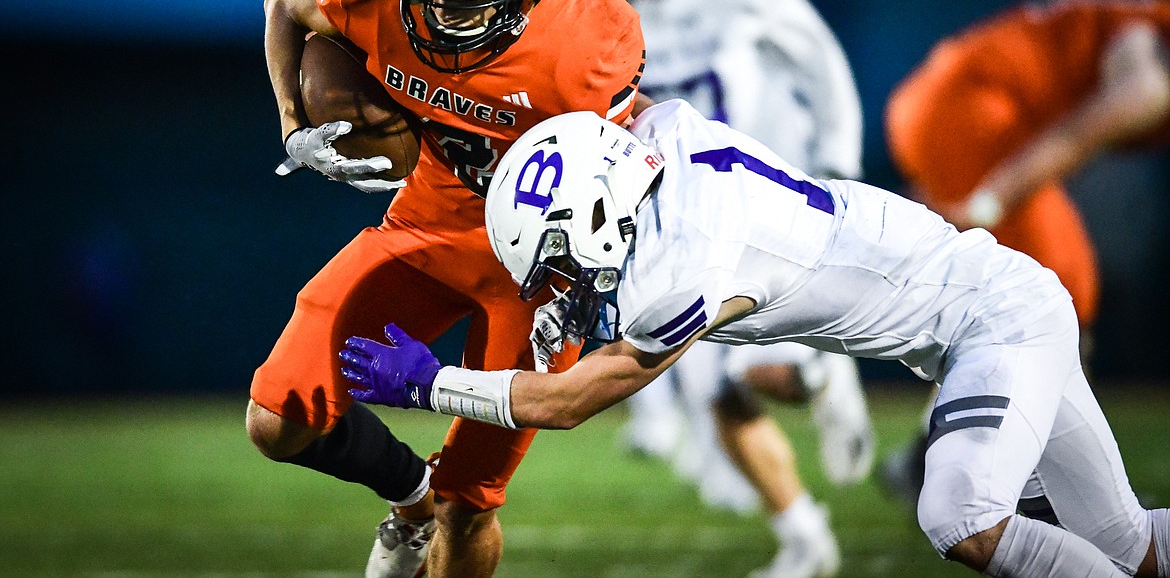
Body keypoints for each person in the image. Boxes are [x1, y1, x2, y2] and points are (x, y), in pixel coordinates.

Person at [340, 100, 1170, 578]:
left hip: (994, 320)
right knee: (1124, 545)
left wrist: (428, 383)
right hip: (999, 302)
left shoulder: (681, 269)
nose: (561, 286)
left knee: (960, 512)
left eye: (559, 264)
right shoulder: (662, 136)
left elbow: (565, 401)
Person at [248, 0, 647, 578]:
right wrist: (291, 126)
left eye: (459, 4)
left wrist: (598, 286)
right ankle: (410, 494)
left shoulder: (587, 40)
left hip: (535, 270)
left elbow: (622, 176)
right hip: (428, 221)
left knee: (470, 503)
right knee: (278, 417)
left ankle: (443, 503)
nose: (432, 18)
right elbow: (283, 3)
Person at [547, 0, 872, 573]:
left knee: (755, 369)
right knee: (701, 372)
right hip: (676, 210)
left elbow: (818, 59)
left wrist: (839, 166)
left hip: (764, 177)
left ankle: (822, 375)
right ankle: (804, 534)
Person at [880, 0, 1170, 506]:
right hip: (968, 110)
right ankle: (1002, 479)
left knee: (1048, 296)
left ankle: (929, 460)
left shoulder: (1139, 27)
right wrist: (987, 202)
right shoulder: (1149, 74)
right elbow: (1072, 138)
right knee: (1058, 297)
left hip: (947, 99)